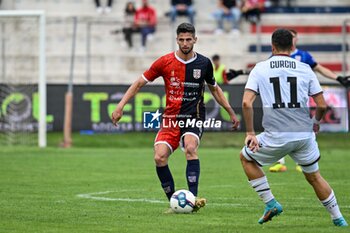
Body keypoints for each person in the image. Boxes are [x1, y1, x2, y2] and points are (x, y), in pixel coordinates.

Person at [112, 23, 240, 213]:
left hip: (194, 116)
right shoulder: (164, 62)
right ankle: (175, 202)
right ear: (177, 40)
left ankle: (193, 199)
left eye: (189, 39)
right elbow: (139, 83)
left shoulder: (204, 63)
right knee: (160, 157)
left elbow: (215, 89)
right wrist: (121, 106)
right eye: (181, 39)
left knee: (190, 148)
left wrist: (230, 112)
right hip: (171, 118)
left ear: (195, 39)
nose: (185, 43)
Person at [239, 28, 348, 226]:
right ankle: (338, 218)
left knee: (246, 158)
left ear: (272, 46)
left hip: (276, 137)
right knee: (314, 177)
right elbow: (322, 105)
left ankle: (270, 203)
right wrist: (315, 124)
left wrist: (250, 133)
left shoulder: (260, 68)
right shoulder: (305, 68)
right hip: (303, 136)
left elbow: (246, 103)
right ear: (292, 46)